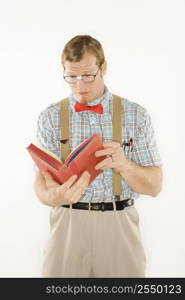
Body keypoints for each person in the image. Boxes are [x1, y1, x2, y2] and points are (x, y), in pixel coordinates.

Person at [34, 35, 163, 278]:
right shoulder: (50, 117)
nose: (79, 84)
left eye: (87, 75)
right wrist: (51, 195)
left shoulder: (136, 115)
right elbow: (40, 181)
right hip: (67, 224)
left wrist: (124, 164)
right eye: (71, 76)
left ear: (103, 67)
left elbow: (155, 186)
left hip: (119, 224)